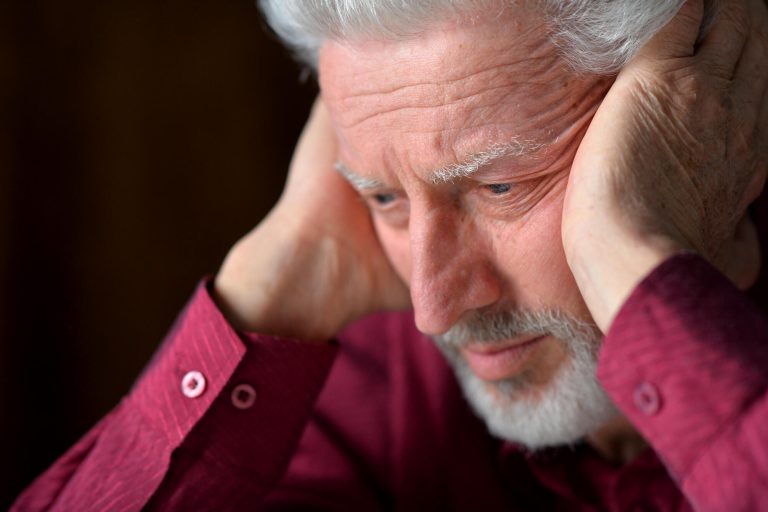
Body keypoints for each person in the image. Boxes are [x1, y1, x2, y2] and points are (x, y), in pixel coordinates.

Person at [13, 0, 768, 510]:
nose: (434, 306)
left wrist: (632, 256)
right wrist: (271, 291)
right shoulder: (376, 368)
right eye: (385, 198)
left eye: (502, 184)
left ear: (706, 112)